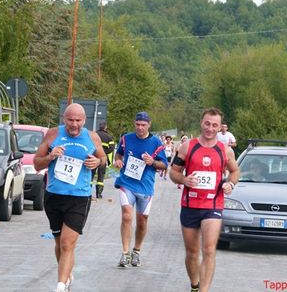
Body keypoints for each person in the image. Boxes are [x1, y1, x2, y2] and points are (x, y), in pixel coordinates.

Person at [33, 103, 107, 292]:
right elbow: (36, 164)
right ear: (64, 119)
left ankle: (60, 286)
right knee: (59, 242)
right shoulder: (52, 134)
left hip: (79, 197)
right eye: (70, 120)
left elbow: (103, 158)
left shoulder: (92, 137)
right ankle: (66, 275)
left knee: (67, 243)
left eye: (78, 120)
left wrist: (97, 161)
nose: (74, 124)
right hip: (54, 196)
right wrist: (50, 157)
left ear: (84, 120)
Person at [170, 108, 240, 292]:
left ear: (220, 128)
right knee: (192, 254)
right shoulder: (187, 147)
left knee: (209, 250)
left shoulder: (225, 151)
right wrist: (184, 180)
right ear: (201, 123)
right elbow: (173, 172)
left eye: (214, 125)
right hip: (190, 205)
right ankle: (195, 284)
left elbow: (235, 171)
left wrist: (230, 184)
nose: (210, 128)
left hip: (213, 205)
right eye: (207, 123)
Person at [113, 111, 168, 268]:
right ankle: (125, 253)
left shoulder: (156, 143)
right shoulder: (126, 138)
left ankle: (136, 251)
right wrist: (118, 161)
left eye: (143, 125)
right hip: (127, 183)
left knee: (142, 221)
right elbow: (119, 154)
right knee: (126, 215)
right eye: (137, 124)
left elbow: (164, 165)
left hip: (145, 186)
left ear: (149, 125)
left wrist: (152, 162)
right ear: (134, 124)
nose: (140, 128)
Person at [91, 122, 115, 199]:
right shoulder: (109, 137)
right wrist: (103, 153)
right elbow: (111, 148)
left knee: (90, 175)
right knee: (101, 176)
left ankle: (88, 193)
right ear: (106, 127)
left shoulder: (93, 134)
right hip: (102, 159)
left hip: (93, 157)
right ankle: (98, 194)